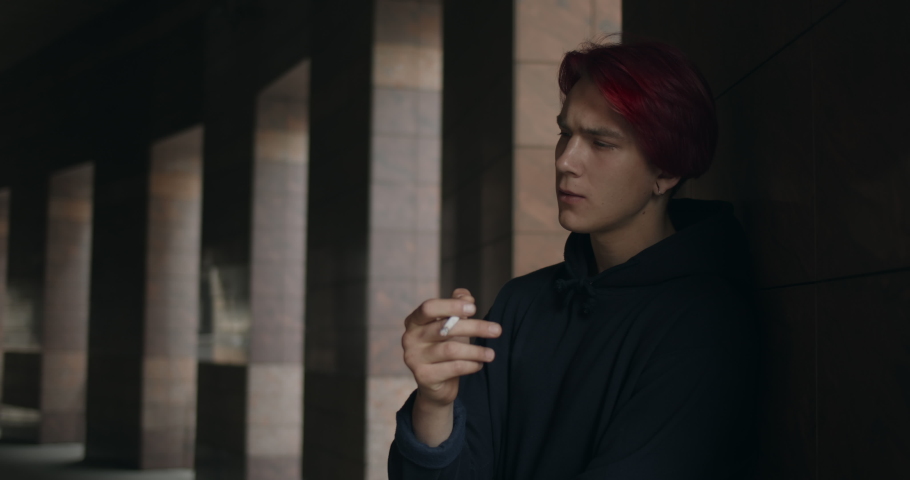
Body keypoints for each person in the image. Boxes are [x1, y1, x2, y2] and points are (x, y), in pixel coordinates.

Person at [388, 40, 759, 479]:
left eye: (601, 143)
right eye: (565, 133)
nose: (566, 161)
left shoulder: (702, 322)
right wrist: (435, 402)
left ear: (666, 171)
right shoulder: (520, 303)